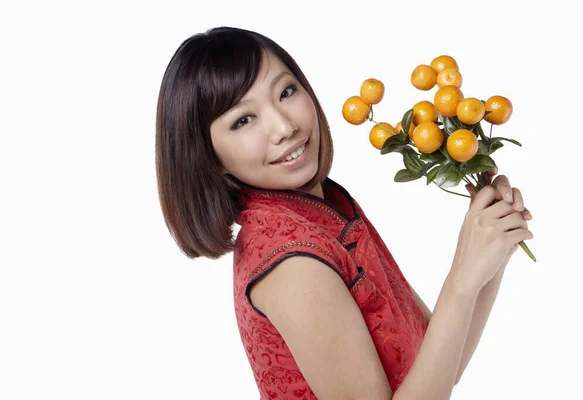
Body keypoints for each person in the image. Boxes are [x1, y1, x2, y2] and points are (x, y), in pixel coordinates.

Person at [155, 26, 534, 400]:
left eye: (286, 92)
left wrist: (492, 251)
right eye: (243, 120)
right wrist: (462, 279)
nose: (284, 127)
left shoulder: (327, 208)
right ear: (210, 157)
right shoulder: (292, 261)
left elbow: (436, 369)